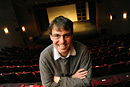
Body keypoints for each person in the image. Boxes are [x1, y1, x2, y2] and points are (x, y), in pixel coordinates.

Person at [39, 16, 92, 87]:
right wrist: (72, 77)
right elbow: (48, 85)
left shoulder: (82, 50)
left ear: (72, 36)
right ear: (51, 37)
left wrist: (59, 80)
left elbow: (86, 83)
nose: (62, 41)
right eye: (57, 35)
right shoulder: (45, 56)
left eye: (66, 35)